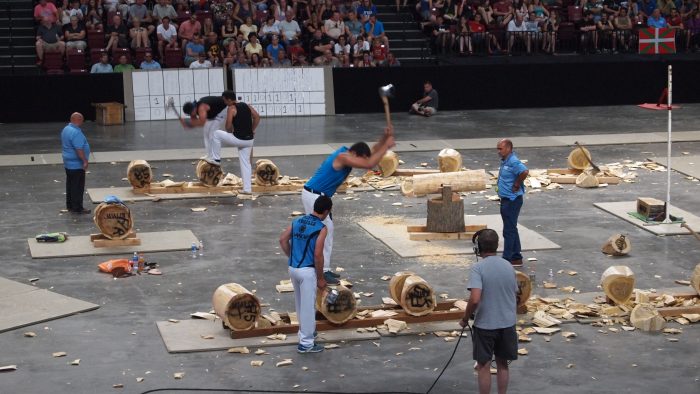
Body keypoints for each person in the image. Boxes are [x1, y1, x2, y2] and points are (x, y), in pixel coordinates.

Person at [302, 127, 395, 284]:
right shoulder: (343, 156)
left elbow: (370, 156)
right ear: (356, 154)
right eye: (361, 158)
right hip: (314, 195)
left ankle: (322, 269)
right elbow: (369, 163)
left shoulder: (348, 154)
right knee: (324, 232)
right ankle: (322, 271)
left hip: (319, 195)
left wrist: (383, 139)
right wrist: (386, 147)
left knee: (326, 231)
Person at [459, 229, 518, 394]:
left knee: (483, 365)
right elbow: (513, 293)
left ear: (478, 247)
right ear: (497, 245)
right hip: (507, 323)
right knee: (502, 364)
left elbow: (475, 298)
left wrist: (465, 318)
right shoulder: (508, 265)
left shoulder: (478, 268)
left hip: (485, 325)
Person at [279, 195, 332, 354]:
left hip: (293, 268)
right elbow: (318, 255)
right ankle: (306, 344)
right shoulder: (321, 228)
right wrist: (321, 278)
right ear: (327, 211)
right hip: (307, 271)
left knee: (300, 303)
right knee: (308, 306)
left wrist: (292, 256)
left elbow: (282, 240)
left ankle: (306, 331)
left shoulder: (298, 221)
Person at [496, 139, 528, 267]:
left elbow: (524, 171)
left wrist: (516, 184)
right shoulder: (505, 161)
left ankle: (507, 258)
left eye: (501, 149)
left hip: (512, 201)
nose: (498, 151)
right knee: (511, 228)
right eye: (498, 149)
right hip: (506, 199)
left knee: (508, 230)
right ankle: (516, 256)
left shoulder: (513, 161)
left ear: (509, 148)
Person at [61, 112, 91, 214]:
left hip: (68, 163)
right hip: (76, 164)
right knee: (77, 186)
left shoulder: (66, 129)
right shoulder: (76, 132)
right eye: (81, 120)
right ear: (78, 120)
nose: (82, 122)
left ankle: (70, 205)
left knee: (70, 184)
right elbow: (79, 149)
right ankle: (77, 207)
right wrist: (85, 161)